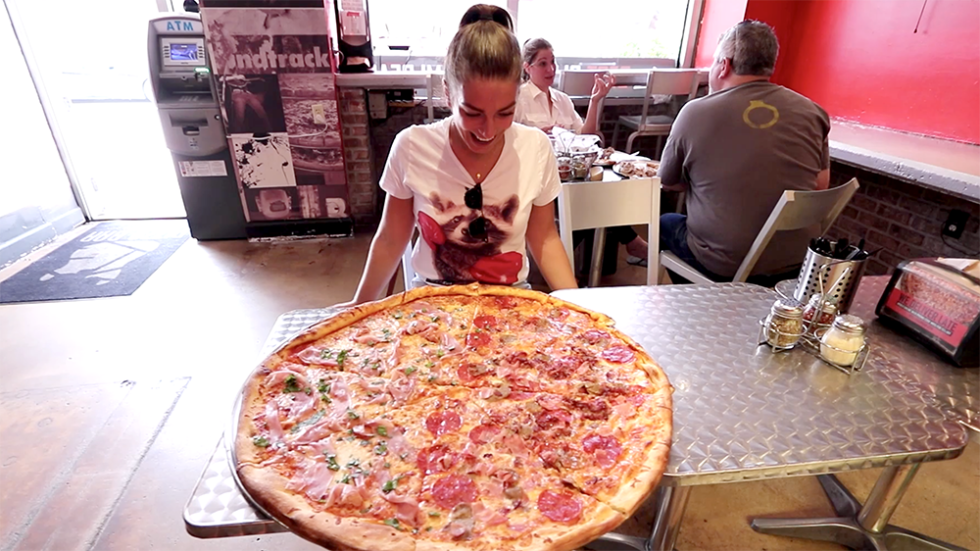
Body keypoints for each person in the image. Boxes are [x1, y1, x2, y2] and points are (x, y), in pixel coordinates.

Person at [344, 5, 577, 305]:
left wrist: (577, 308)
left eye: (505, 113)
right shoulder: (412, 146)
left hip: (512, 303)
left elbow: (544, 237)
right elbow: (391, 240)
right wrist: (356, 309)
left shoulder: (536, 149)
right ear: (448, 94)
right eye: (472, 113)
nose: (489, 129)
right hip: (432, 303)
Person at [657, 20, 831, 283]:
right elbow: (820, 185)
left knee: (665, 223)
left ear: (724, 65)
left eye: (715, 61)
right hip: (798, 263)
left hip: (725, 263)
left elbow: (667, 181)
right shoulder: (813, 112)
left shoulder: (695, 112)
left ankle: (703, 301)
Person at [516, 38, 650, 268]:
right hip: (536, 174)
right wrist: (535, 134)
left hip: (568, 172)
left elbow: (585, 134)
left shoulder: (562, 99)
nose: (551, 69)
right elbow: (508, 139)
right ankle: (629, 243)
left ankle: (563, 266)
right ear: (527, 67)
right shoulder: (519, 98)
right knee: (593, 200)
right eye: (542, 63)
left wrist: (595, 99)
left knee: (598, 193)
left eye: (553, 62)